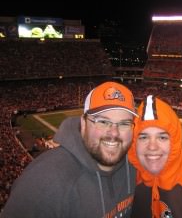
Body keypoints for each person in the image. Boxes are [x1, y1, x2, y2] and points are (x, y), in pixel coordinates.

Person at [1, 81, 138, 218]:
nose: (114, 133)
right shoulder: (42, 183)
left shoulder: (137, 166)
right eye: (102, 121)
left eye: (124, 124)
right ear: (83, 124)